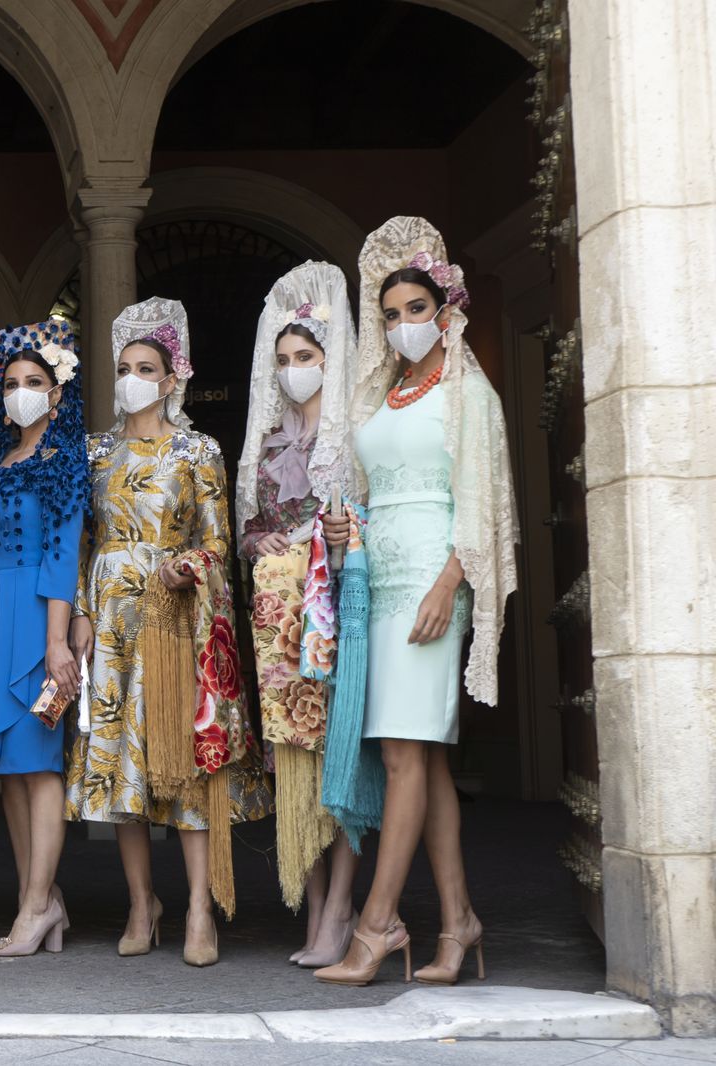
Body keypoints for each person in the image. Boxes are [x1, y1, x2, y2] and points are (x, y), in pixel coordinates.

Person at [315, 216, 517, 986]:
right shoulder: (384, 394)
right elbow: (366, 494)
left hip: (435, 582)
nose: (403, 324)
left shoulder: (471, 395)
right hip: (380, 584)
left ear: (445, 310)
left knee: (404, 751)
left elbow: (484, 505)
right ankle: (459, 922)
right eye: (391, 313)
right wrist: (346, 528)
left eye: (416, 309)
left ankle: (376, 926)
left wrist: (449, 583)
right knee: (422, 760)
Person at [65, 297, 271, 967]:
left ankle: (200, 910)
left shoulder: (197, 450)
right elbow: (81, 542)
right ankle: (141, 903)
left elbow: (219, 542)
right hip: (111, 625)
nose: (132, 380)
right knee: (124, 768)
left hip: (173, 623)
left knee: (180, 768)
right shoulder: (94, 451)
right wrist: (80, 613)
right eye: (124, 369)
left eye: (145, 369)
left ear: (170, 378)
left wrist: (189, 566)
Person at [236, 262, 363, 968]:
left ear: (328, 358)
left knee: (337, 752)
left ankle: (341, 906)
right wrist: (262, 541)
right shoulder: (267, 442)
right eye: (283, 359)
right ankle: (313, 905)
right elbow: (251, 528)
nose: (293, 370)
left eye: (305, 356)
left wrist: (339, 535)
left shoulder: (351, 438)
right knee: (294, 759)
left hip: (338, 611)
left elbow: (369, 519)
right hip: (278, 621)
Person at [0, 320, 89, 956]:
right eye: (11, 383)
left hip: (40, 621)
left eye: (33, 382)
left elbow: (62, 556)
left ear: (56, 393)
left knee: (41, 768)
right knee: (10, 769)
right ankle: (38, 899)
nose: (20, 393)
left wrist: (57, 642)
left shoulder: (63, 463)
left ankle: (36, 907)